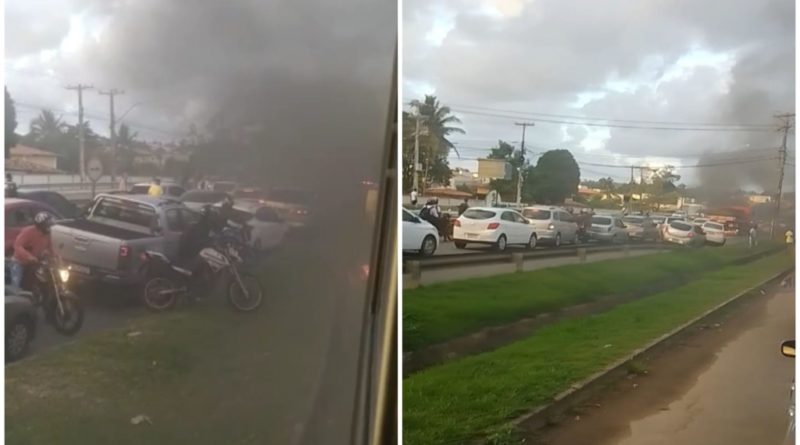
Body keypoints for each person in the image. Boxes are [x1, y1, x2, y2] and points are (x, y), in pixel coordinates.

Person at [10, 212, 54, 289]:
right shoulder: (28, 231)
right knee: (16, 285)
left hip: (34, 264)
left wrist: (55, 257)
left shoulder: (47, 234)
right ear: (40, 225)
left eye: (49, 225)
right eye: (47, 225)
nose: (48, 227)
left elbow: (50, 247)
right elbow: (17, 245)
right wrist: (29, 257)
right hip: (19, 262)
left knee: (39, 281)